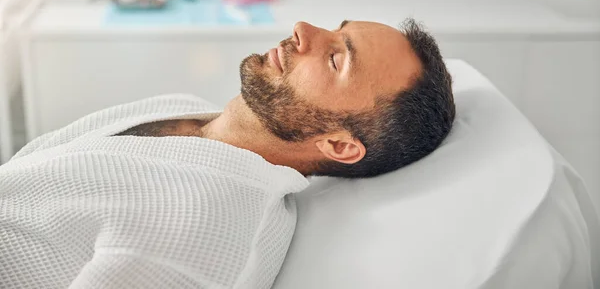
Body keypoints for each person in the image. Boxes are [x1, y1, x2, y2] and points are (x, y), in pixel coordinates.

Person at [0, 19, 455, 288]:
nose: (302, 30)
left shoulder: (203, 228)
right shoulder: (178, 108)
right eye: (334, 27)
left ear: (338, 144)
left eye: (337, 58)